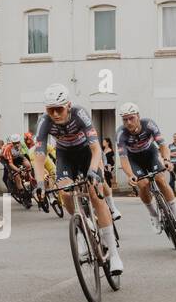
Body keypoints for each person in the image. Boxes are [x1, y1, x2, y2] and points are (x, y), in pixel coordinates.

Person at [34, 84, 123, 273]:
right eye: (51, 110)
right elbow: (40, 155)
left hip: (87, 152)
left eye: (59, 109)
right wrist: (39, 182)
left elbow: (96, 148)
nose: (56, 114)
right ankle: (82, 230)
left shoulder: (79, 113)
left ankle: (114, 255)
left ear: (68, 105)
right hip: (65, 155)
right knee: (65, 193)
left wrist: (92, 170)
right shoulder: (44, 122)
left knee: (94, 193)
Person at [115, 101, 176, 238]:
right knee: (143, 184)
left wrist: (166, 160)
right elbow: (123, 159)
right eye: (125, 120)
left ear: (138, 116)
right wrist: (130, 175)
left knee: (160, 179)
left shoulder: (149, 124)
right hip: (134, 160)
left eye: (132, 118)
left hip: (151, 154)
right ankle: (153, 214)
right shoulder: (121, 134)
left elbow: (162, 145)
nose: (128, 122)